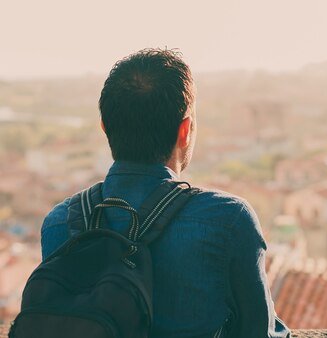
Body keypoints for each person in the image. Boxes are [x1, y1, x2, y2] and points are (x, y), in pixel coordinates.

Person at [41, 48, 290, 338]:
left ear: (105, 128)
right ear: (185, 130)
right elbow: (259, 333)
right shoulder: (228, 220)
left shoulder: (59, 223)